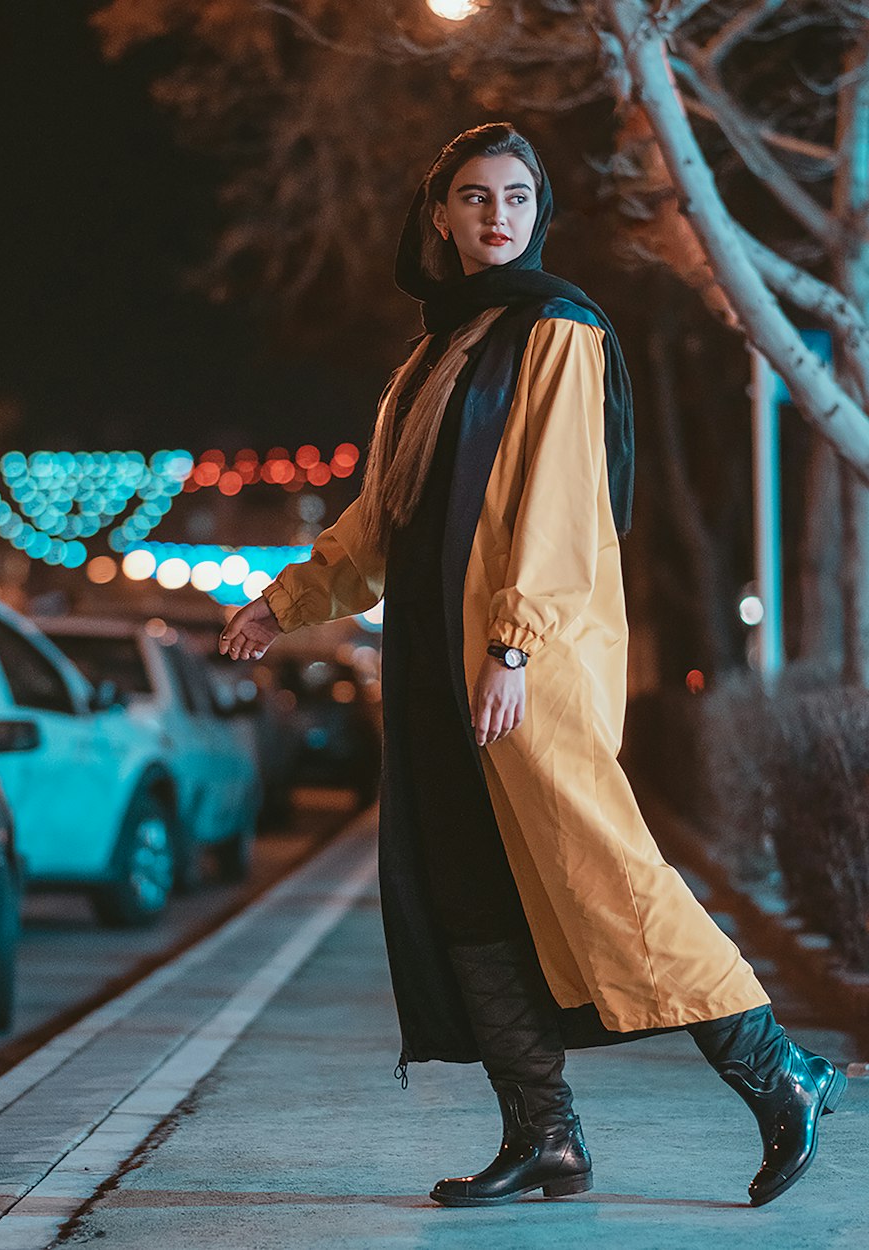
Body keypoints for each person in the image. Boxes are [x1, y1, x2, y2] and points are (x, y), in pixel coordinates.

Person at [218, 123, 846, 1209]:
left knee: (608, 874)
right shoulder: (435, 352)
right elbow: (386, 518)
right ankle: (544, 1135)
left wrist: (511, 643)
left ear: (537, 210)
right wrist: (286, 601)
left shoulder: (557, 331)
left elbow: (560, 506)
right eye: (472, 196)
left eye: (515, 195)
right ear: (441, 215)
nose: (495, 214)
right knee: (467, 894)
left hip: (523, 667)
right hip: (433, 671)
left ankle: (778, 1068)